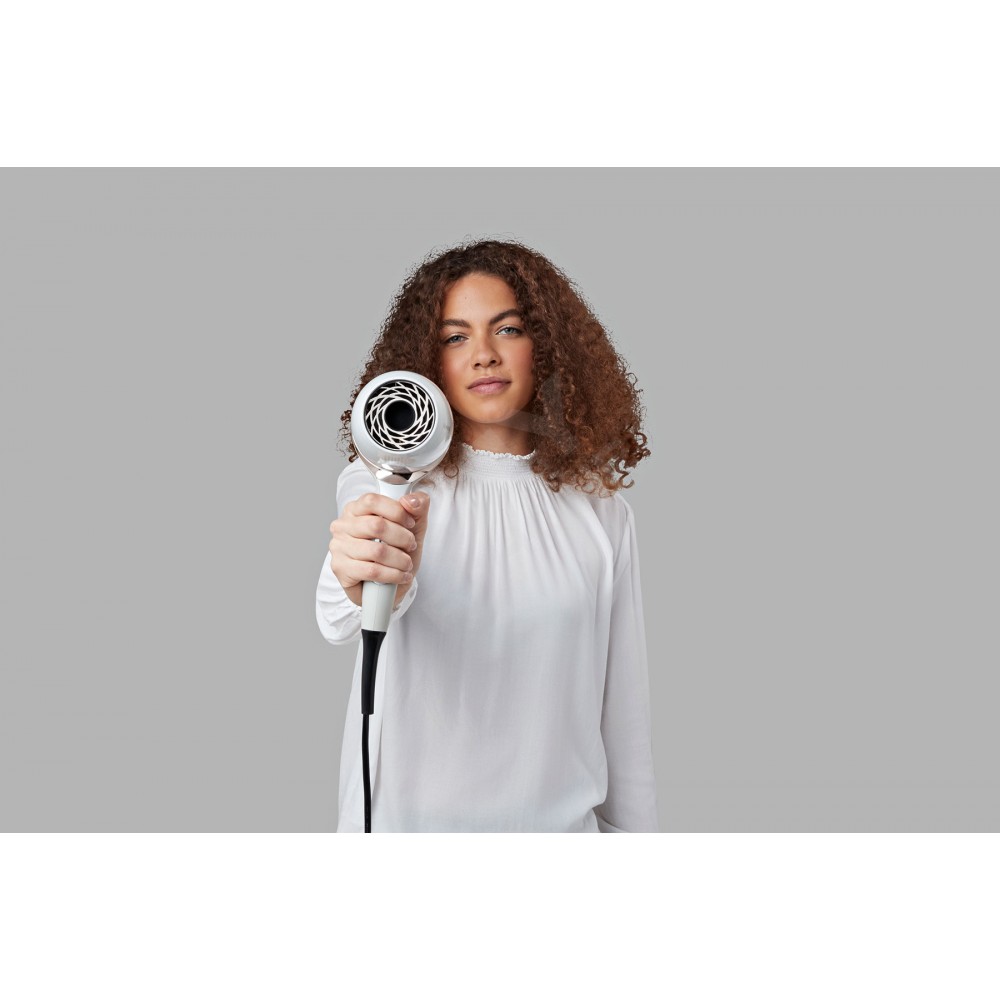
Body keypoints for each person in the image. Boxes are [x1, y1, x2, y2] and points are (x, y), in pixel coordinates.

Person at [315, 239, 658, 832]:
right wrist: (363, 578)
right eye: (455, 338)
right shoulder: (388, 485)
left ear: (545, 346)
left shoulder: (602, 514)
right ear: (427, 360)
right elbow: (340, 613)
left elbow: (624, 716)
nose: (483, 356)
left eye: (508, 330)